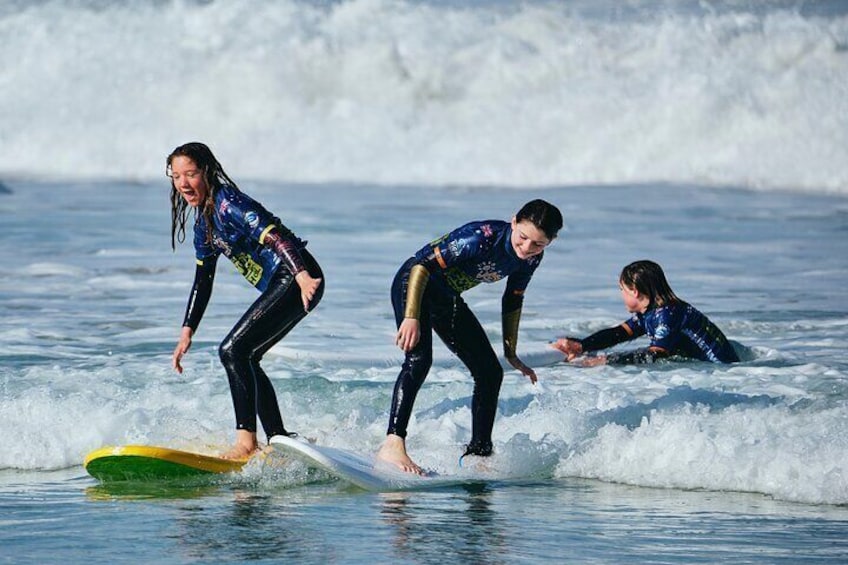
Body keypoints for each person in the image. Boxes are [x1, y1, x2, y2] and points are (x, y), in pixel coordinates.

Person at [377, 200, 563, 474]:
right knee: (419, 360)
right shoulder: (480, 238)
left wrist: (511, 353)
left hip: (447, 297)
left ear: (550, 241)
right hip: (414, 285)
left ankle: (479, 453)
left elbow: (513, 299)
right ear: (513, 222)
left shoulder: (532, 258)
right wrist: (412, 316)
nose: (526, 248)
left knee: (490, 372)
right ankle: (392, 444)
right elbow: (421, 267)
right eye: (523, 238)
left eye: (538, 244)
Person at [167, 142, 324, 460]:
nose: (183, 183)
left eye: (191, 174)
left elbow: (276, 236)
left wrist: (302, 276)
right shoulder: (205, 224)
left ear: (207, 172)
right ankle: (279, 438)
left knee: (232, 350)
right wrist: (187, 330)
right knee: (246, 357)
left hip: (295, 276)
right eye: (176, 176)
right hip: (288, 281)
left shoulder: (230, 205)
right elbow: (203, 279)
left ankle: (246, 443)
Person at [552, 260, 739, 366]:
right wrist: (581, 346)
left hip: (722, 370)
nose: (621, 295)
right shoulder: (650, 313)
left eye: (621, 289)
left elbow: (655, 354)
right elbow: (618, 333)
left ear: (634, 291)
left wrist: (605, 360)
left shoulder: (668, 315)